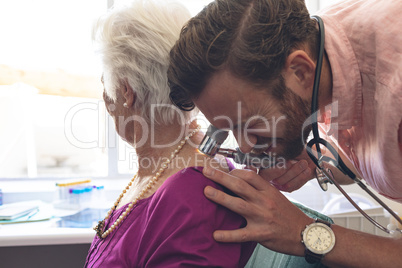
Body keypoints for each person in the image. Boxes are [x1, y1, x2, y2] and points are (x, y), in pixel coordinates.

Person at [167, 0, 402, 267]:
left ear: (300, 71)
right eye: (228, 128)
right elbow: (378, 150)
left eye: (248, 123)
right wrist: (319, 161)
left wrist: (303, 232)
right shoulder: (315, 47)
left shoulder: (395, 89)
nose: (244, 147)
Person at [85, 1, 256, 267]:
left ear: (127, 91)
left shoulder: (191, 197)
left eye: (106, 84)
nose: (105, 97)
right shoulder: (156, 176)